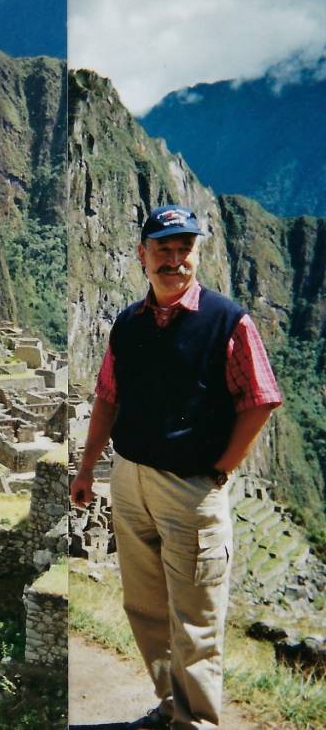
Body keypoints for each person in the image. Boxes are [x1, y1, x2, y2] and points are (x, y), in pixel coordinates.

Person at [70, 204, 282, 730]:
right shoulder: (129, 323)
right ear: (142, 256)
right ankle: (170, 708)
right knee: (144, 610)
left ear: (196, 255)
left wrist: (220, 471)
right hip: (130, 477)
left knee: (196, 621)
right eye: (162, 249)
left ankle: (198, 724)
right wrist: (87, 467)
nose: (173, 259)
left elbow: (261, 399)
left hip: (189, 488)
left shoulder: (226, 321)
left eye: (183, 249)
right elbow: (107, 397)